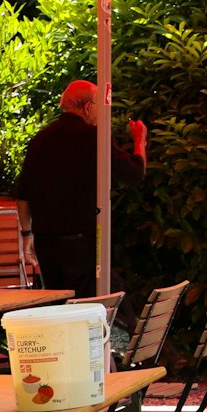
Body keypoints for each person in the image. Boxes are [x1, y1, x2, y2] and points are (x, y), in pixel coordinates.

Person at [15, 80, 147, 296]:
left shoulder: (39, 139)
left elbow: (23, 195)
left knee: (59, 303)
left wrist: (27, 235)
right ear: (87, 107)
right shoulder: (93, 137)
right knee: (94, 301)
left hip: (46, 241)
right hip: (81, 240)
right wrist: (140, 141)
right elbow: (133, 173)